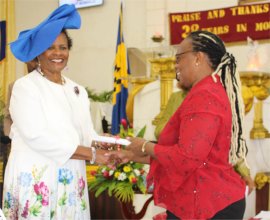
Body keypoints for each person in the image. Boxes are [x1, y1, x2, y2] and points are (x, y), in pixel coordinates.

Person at [107, 30, 249, 219]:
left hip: (210, 204)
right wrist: (134, 155)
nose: (176, 65)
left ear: (198, 58)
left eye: (179, 58)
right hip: (205, 198)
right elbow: (187, 155)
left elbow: (187, 158)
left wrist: (144, 145)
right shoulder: (207, 90)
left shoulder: (206, 95)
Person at [3, 4, 109, 219]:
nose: (58, 53)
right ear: (38, 53)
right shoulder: (25, 87)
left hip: (70, 176)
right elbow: (37, 136)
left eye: (63, 47)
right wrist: (93, 155)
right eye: (50, 48)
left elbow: (86, 134)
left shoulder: (77, 89)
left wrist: (110, 145)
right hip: (36, 177)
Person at [154, 84, 255, 195]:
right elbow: (159, 132)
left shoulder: (220, 97)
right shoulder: (177, 98)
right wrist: (184, 125)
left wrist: (245, 173)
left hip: (215, 177)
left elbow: (231, 141)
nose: (177, 68)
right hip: (185, 175)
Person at [3, 58, 38, 137]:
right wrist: (11, 135)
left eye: (39, 61)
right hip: (20, 141)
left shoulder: (52, 85)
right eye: (33, 60)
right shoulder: (14, 86)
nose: (36, 64)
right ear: (26, 61)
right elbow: (8, 115)